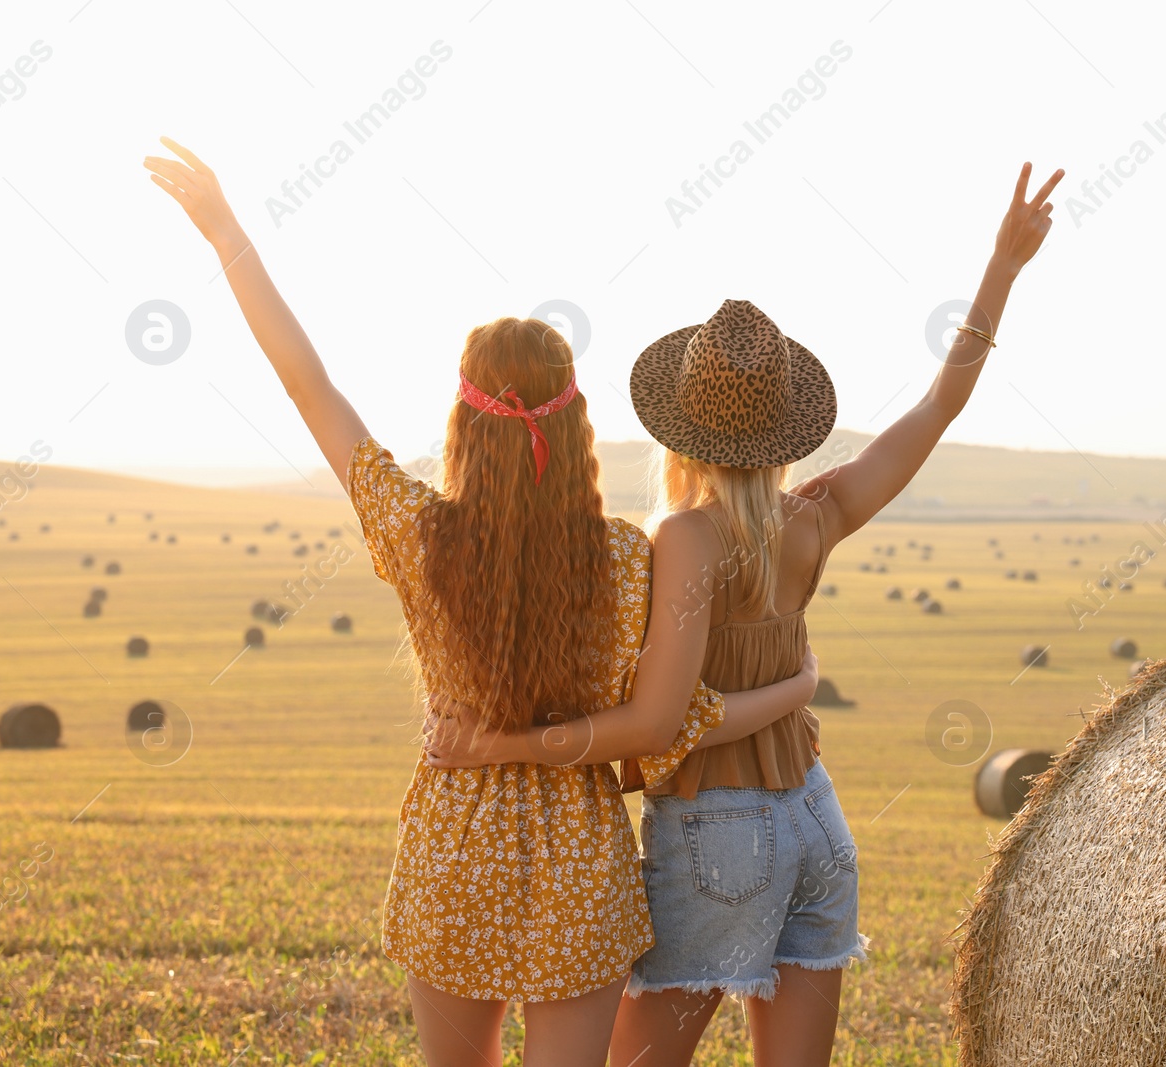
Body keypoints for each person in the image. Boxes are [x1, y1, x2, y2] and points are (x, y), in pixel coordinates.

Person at [143, 137, 816, 1067]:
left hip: (451, 852)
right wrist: (794, 687)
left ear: (462, 421)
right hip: (579, 866)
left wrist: (226, 233)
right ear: (578, 423)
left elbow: (308, 383)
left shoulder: (419, 535)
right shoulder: (630, 557)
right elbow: (667, 719)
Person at [436, 161, 1065, 1066]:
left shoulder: (687, 538)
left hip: (716, 829)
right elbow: (939, 404)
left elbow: (663, 720)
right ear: (781, 426)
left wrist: (506, 746)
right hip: (817, 819)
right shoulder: (816, 516)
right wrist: (1001, 270)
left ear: (680, 427)